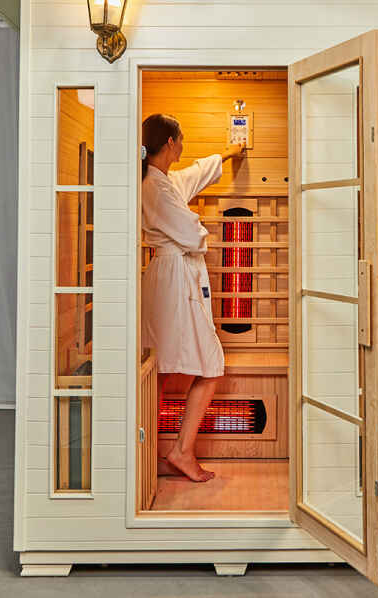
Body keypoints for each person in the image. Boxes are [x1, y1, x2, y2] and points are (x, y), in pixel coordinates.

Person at [141, 113, 245, 482]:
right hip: (176, 279)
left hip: (166, 277)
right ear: (170, 142)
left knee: (160, 367)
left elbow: (192, 176)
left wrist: (228, 153)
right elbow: (191, 235)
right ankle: (181, 451)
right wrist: (200, 228)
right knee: (209, 364)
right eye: (181, 138)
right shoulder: (156, 188)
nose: (183, 145)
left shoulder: (158, 181)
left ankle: (148, 451)